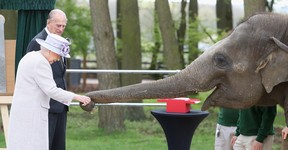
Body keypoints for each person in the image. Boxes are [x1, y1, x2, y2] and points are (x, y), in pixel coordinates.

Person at [7, 33, 91, 150]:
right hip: (33, 114)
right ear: (50, 51)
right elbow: (52, 90)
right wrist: (77, 97)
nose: (57, 59)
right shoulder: (41, 62)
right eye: (58, 55)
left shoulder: (29, 57)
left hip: (23, 112)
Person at [26, 9, 69, 150]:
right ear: (48, 23)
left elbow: (60, 74)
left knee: (59, 146)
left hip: (61, 105)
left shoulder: (61, 42)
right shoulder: (37, 42)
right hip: (46, 107)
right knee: (44, 145)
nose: (61, 29)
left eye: (63, 26)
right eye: (58, 25)